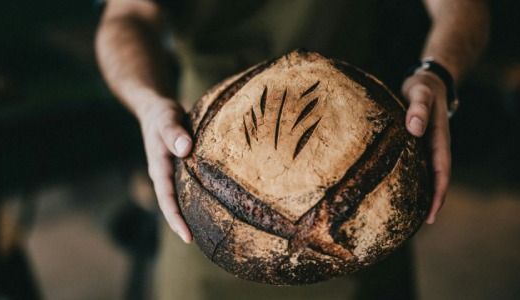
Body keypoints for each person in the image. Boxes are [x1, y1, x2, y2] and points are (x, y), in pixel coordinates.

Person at [96, 0, 489, 299]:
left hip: (357, 150)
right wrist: (148, 104)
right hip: (206, 171)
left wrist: (438, 73)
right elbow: (124, 17)